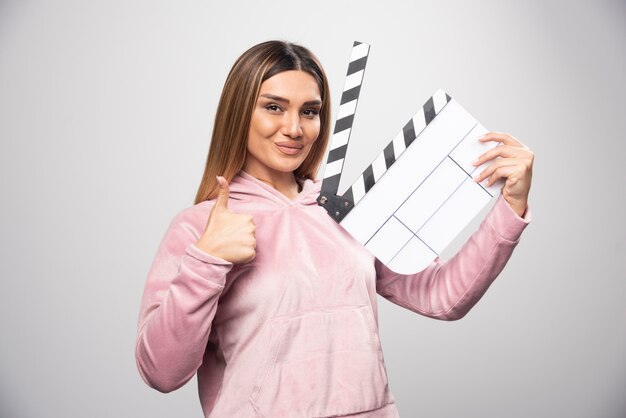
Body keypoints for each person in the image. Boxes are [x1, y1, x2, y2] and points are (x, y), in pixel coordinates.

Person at [135, 40, 533, 417]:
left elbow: (441, 296)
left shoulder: (345, 210)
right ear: (240, 113)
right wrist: (208, 261)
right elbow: (162, 372)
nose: (294, 128)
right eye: (274, 107)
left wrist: (510, 208)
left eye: (309, 111)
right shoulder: (200, 228)